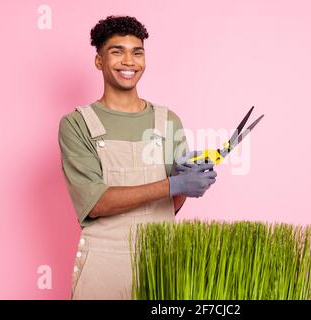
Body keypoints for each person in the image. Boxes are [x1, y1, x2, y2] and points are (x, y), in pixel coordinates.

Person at [58, 15, 217, 300]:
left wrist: (189, 181)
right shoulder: (77, 124)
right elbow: (95, 203)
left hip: (161, 259)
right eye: (117, 51)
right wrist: (173, 184)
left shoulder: (168, 120)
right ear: (99, 61)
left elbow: (172, 206)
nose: (129, 61)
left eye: (137, 52)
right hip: (104, 266)